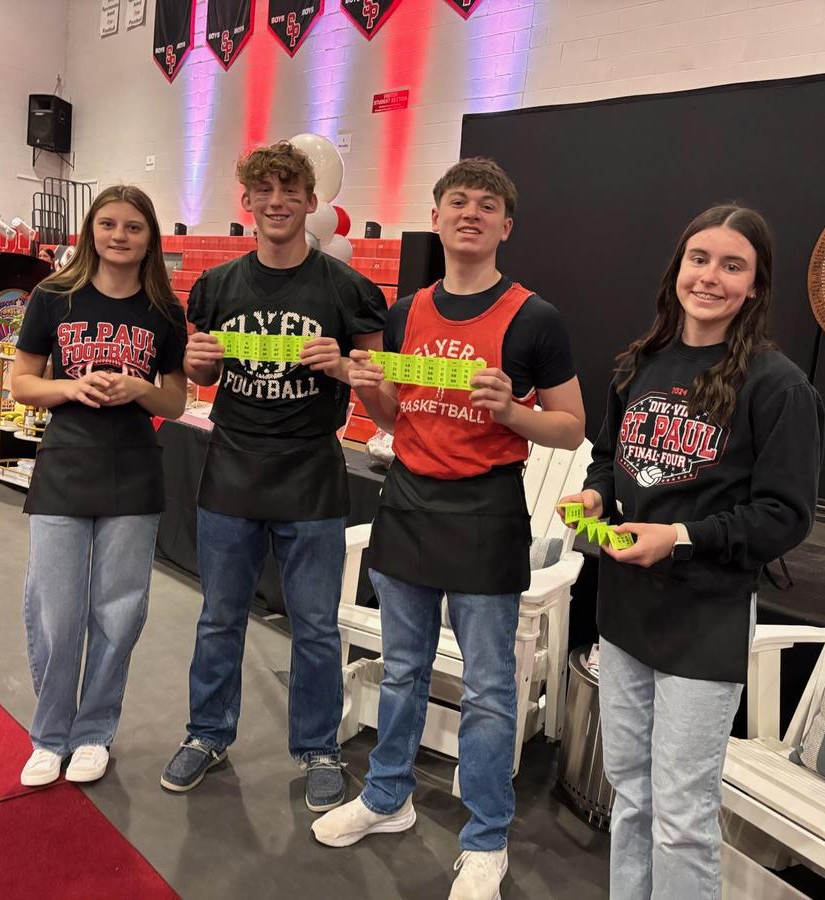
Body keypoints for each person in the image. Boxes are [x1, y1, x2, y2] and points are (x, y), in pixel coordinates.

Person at [312, 158, 586, 900]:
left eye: (487, 204)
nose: (471, 213)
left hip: (486, 511)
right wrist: (372, 390)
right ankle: (387, 797)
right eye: (457, 201)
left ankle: (487, 835)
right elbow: (398, 414)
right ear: (434, 218)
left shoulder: (535, 318)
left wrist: (513, 412)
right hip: (407, 502)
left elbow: (570, 427)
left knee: (490, 688)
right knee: (402, 669)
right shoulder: (405, 313)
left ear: (506, 225)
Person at [556, 206, 821, 900]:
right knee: (631, 791)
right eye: (698, 259)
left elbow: (785, 517)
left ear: (756, 285)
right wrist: (595, 494)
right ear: (677, 268)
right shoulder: (640, 363)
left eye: (733, 266)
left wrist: (677, 538)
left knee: (681, 815)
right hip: (624, 611)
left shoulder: (778, 385)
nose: (709, 277)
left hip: (705, 619)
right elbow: (609, 455)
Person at [161, 142, 386, 812]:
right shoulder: (216, 286)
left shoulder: (348, 289)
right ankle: (207, 734)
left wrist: (346, 367)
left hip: (311, 475)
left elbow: (382, 391)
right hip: (231, 470)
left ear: (312, 201)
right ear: (248, 201)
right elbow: (202, 373)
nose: (278, 201)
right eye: (266, 190)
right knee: (219, 617)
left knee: (314, 625)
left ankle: (318, 747)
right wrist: (198, 363)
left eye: (292, 190)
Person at [9, 185, 188, 787]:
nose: (119, 236)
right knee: (55, 611)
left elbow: (175, 399)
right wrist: (71, 387)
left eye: (133, 227)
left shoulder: (164, 311)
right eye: (108, 224)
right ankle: (49, 734)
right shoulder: (53, 296)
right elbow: (21, 383)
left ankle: (93, 732)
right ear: (91, 230)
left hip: (134, 469)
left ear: (149, 238)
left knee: (119, 611)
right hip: (65, 464)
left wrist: (139, 389)